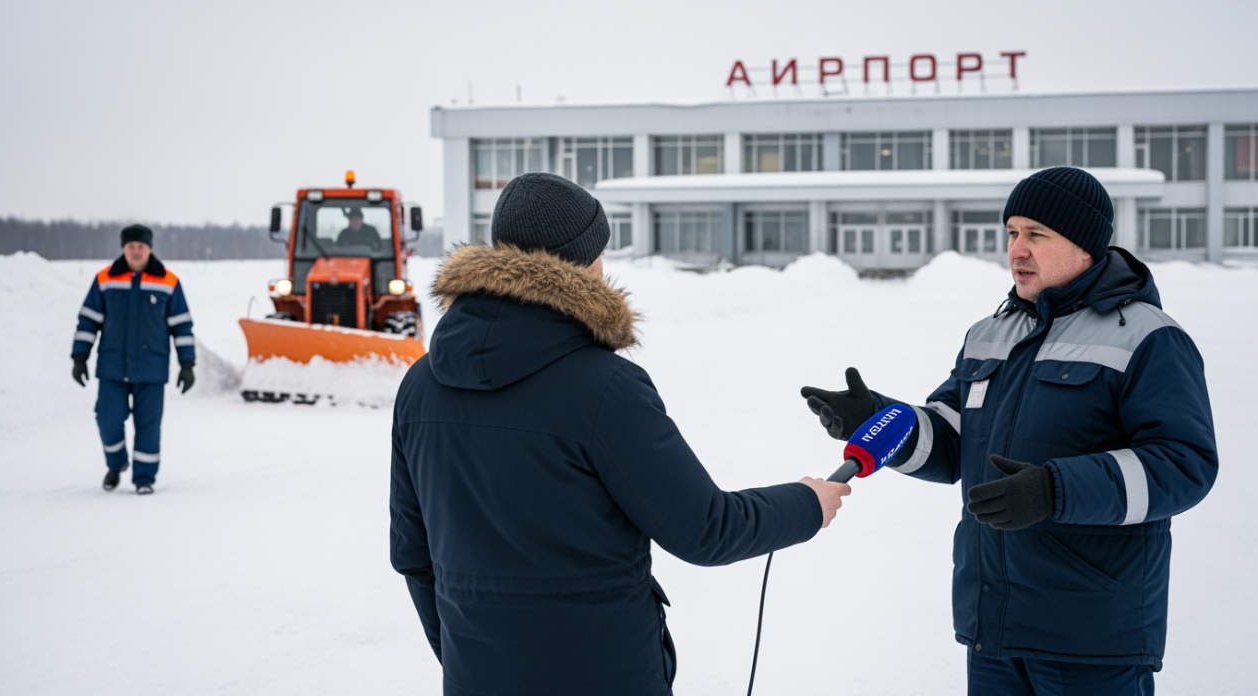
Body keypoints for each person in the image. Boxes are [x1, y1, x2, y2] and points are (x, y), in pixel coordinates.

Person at [390, 172, 850, 696]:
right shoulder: (605, 386)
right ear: (583, 261)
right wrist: (807, 504)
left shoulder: (420, 383)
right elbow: (706, 528)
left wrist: (465, 659)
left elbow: (413, 555)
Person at [802, 167, 1217, 695]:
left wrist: (1054, 490)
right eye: (1013, 233)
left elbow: (1183, 464)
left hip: (1091, 630)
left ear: (1085, 245)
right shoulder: (990, 334)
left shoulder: (1148, 337)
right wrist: (878, 419)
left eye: (1036, 235)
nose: (1017, 250)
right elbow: (951, 437)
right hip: (993, 625)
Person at [71, 224, 196, 495]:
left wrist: (187, 364)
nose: (136, 251)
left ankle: (144, 478)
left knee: (148, 425)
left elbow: (181, 325)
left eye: (141, 246)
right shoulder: (105, 279)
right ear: (123, 249)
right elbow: (89, 320)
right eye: (131, 247)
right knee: (107, 418)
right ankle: (116, 464)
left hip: (152, 368)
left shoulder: (168, 281)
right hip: (112, 367)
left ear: (150, 249)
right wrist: (80, 356)